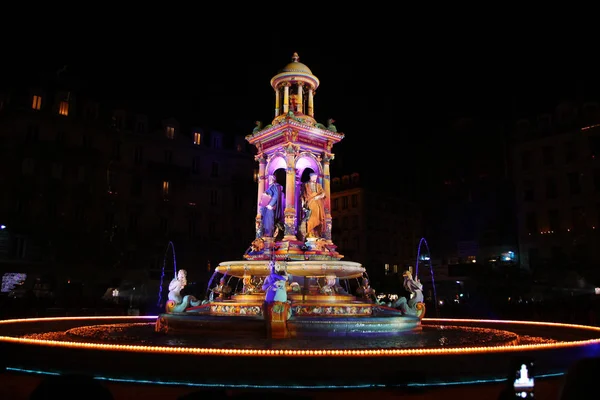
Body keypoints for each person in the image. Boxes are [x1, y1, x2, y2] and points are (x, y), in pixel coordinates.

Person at [301, 172, 325, 238]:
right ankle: (309, 233)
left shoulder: (318, 185)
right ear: (310, 177)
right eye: (314, 177)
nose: (315, 179)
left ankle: (315, 233)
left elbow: (323, 193)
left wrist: (318, 196)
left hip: (317, 203)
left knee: (317, 218)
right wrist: (303, 205)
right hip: (309, 202)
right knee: (310, 218)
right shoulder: (306, 185)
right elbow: (303, 195)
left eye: (316, 177)